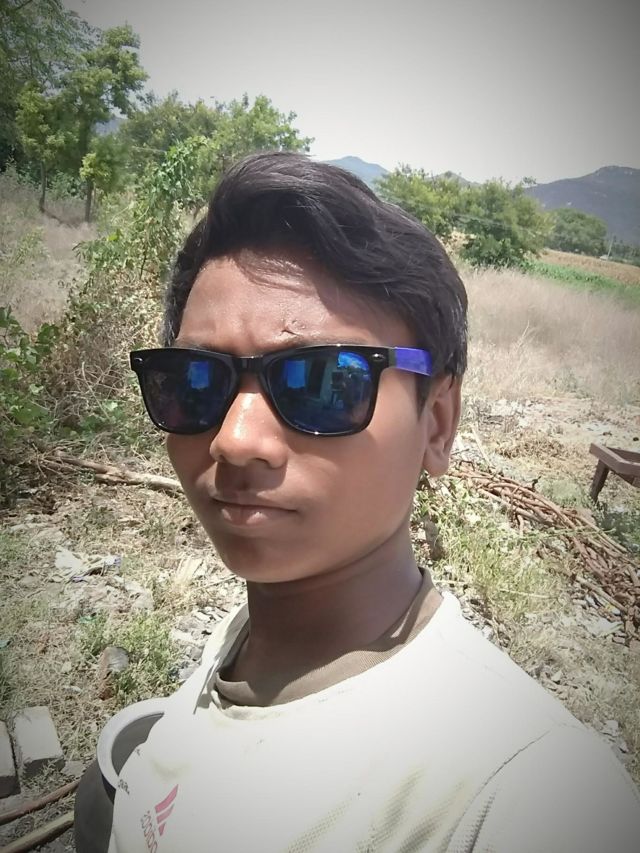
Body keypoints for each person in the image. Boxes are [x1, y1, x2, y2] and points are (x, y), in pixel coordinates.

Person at [78, 152, 640, 852]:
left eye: (324, 382)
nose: (236, 439)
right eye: (195, 380)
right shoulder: (254, 628)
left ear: (436, 424)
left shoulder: (529, 794)